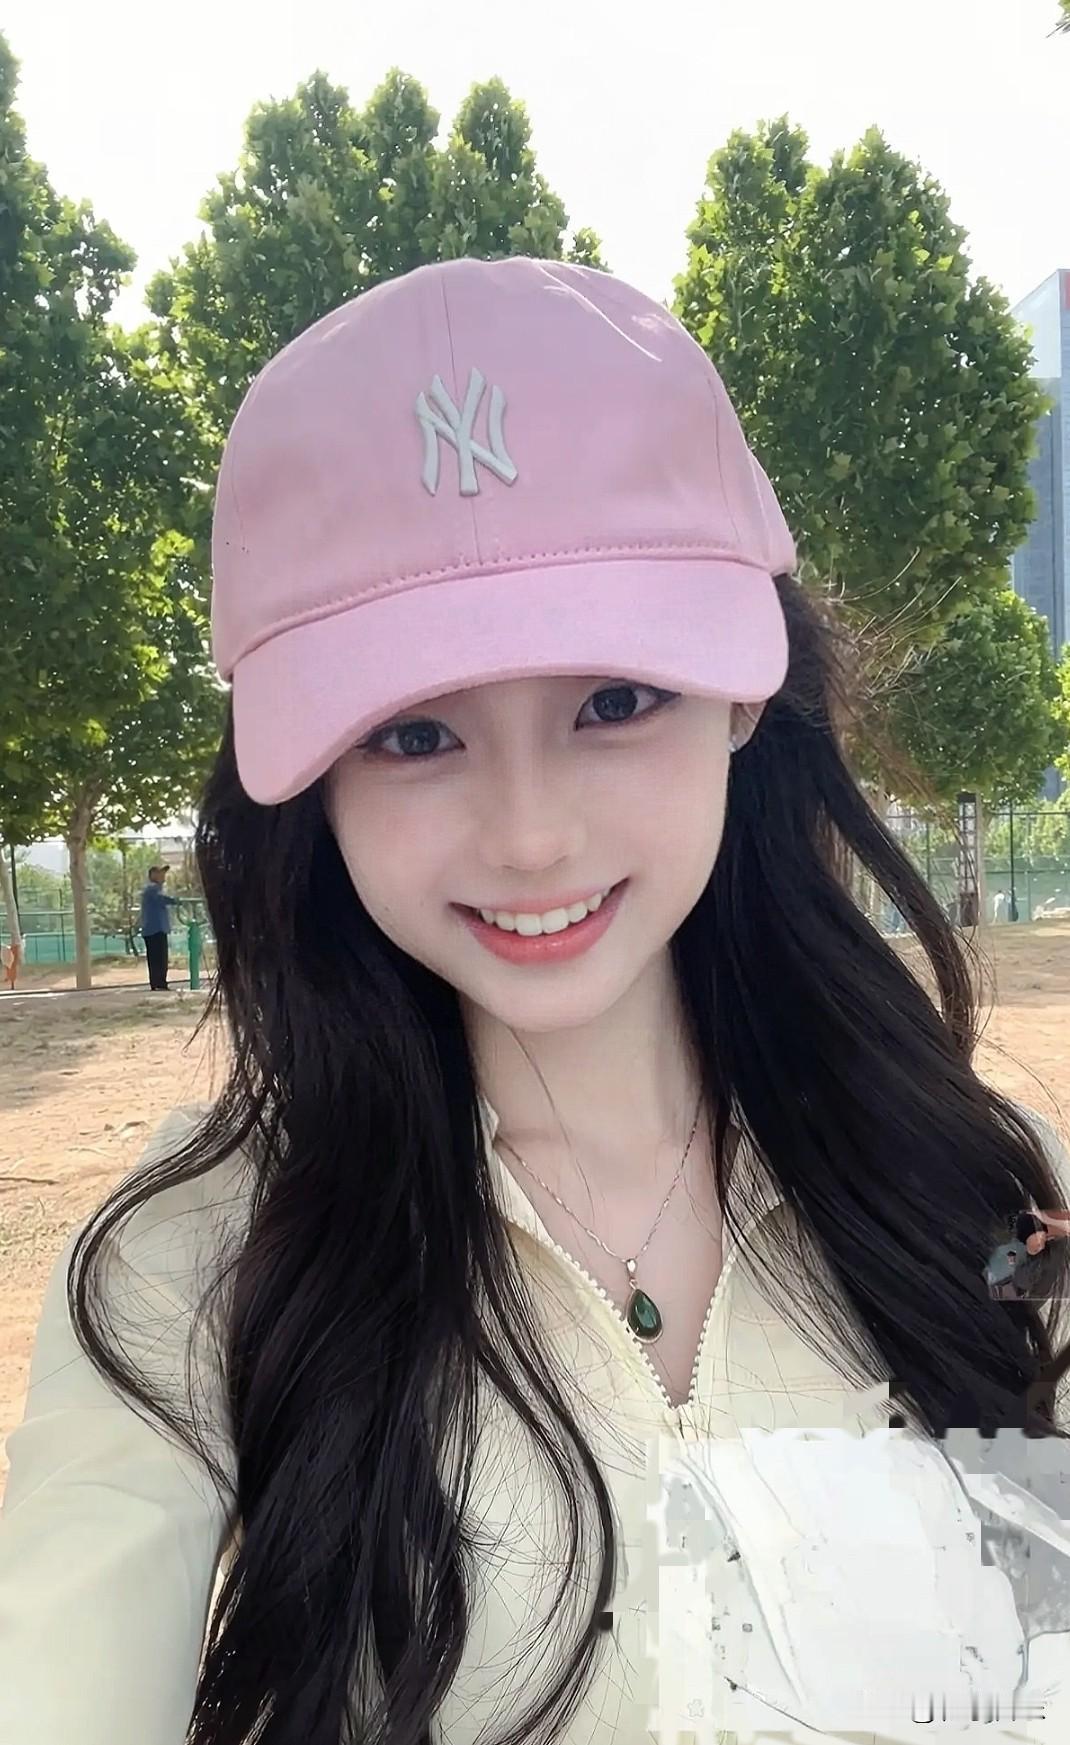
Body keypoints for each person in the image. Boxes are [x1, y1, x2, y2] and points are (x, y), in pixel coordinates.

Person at [4, 256, 1070, 1743]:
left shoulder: (982, 1182)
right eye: (414, 733)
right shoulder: (194, 1264)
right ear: (311, 784)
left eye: (612, 701)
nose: (527, 835)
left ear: (744, 697)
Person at [138, 864, 180, 991]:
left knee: (158, 957)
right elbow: (162, 899)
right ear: (153, 875)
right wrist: (175, 900)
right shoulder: (152, 889)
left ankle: (158, 982)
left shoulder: (156, 889)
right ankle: (158, 982)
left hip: (156, 929)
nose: (163, 876)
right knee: (158, 957)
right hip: (154, 929)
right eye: (160, 873)